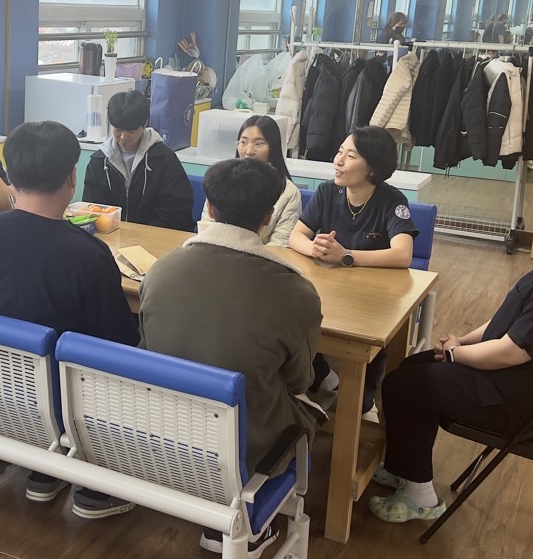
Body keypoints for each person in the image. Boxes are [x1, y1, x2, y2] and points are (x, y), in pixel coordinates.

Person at [369, 178, 533, 524]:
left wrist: (455, 355)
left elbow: (513, 352)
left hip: (515, 400)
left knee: (405, 385)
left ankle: (419, 496)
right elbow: (509, 318)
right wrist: (463, 342)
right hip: (522, 381)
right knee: (413, 366)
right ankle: (405, 468)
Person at [0, 120, 139, 519]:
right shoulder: (87, 253)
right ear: (72, 176)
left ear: (12, 174)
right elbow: (119, 342)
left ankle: (46, 470)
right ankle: (94, 485)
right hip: (61, 400)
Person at [141, 158, 324, 557]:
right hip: (246, 448)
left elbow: (149, 347)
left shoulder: (160, 271)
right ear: (268, 216)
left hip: (164, 430)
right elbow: (300, 381)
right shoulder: (296, 293)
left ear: (208, 206)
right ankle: (251, 522)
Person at [289, 126, 417, 409]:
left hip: (372, 302)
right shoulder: (327, 192)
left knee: (359, 402)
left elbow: (403, 255)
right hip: (329, 293)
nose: (338, 161)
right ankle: (319, 374)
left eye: (350, 156)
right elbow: (296, 235)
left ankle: (360, 382)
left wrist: (346, 256)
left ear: (373, 168)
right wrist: (314, 248)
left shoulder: (392, 200)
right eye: (339, 152)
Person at [83, 91, 195, 232]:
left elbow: (176, 210)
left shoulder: (164, 160)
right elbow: (93, 209)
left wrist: (142, 235)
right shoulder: (99, 162)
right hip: (111, 235)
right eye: (118, 129)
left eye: (131, 131)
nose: (123, 137)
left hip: (156, 235)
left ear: (145, 124)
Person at [197, 115, 301, 246]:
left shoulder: (289, 192)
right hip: (217, 252)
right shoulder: (221, 179)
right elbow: (207, 227)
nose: (249, 151)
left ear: (273, 148)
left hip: (260, 257)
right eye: (243, 142)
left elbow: (280, 244)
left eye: (258, 144)